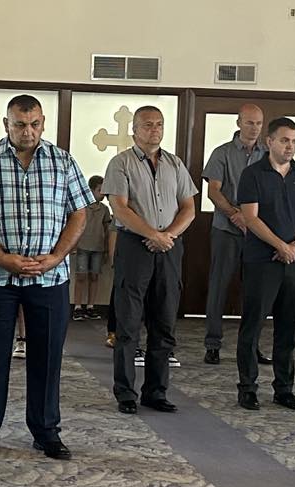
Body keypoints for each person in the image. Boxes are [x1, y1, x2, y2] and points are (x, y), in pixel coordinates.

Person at [0, 94, 92, 460]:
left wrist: (56, 257)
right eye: (19, 125)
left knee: (47, 358)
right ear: (6, 125)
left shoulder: (63, 162)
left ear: (43, 123)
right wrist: (2, 258)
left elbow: (80, 214)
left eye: (34, 124)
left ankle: (46, 431)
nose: (28, 132)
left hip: (49, 278)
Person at [104, 105, 197, 415]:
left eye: (159, 124)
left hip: (169, 246)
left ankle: (156, 392)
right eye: (147, 125)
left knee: (164, 321)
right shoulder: (121, 163)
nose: (154, 129)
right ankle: (125, 393)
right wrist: (152, 234)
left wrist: (167, 235)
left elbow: (189, 208)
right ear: (135, 130)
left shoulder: (175, 164)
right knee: (128, 324)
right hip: (135, 246)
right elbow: (120, 208)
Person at [235, 116, 295, 411]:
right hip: (262, 260)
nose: (289, 146)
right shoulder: (253, 174)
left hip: (294, 261)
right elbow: (251, 218)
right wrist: (280, 246)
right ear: (269, 141)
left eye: (293, 141)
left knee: (289, 327)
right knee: (253, 325)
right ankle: (247, 388)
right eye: (284, 140)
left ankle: (284, 389)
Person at [201, 103, 267, 365]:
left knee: (256, 290)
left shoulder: (268, 154)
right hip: (227, 230)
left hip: (258, 232)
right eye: (249, 122)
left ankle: (251, 345)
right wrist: (234, 214)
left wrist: (253, 221)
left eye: (259, 123)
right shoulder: (222, 153)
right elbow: (213, 191)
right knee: (219, 286)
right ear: (239, 123)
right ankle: (212, 344)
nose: (254, 128)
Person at [71, 175, 112, 321]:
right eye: (100, 190)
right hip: (82, 246)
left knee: (94, 276)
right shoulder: (82, 207)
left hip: (98, 248)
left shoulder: (104, 210)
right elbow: (75, 226)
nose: (103, 193)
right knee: (81, 276)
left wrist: (107, 249)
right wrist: (73, 245)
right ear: (91, 190)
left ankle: (90, 306)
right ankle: (77, 307)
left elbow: (107, 230)